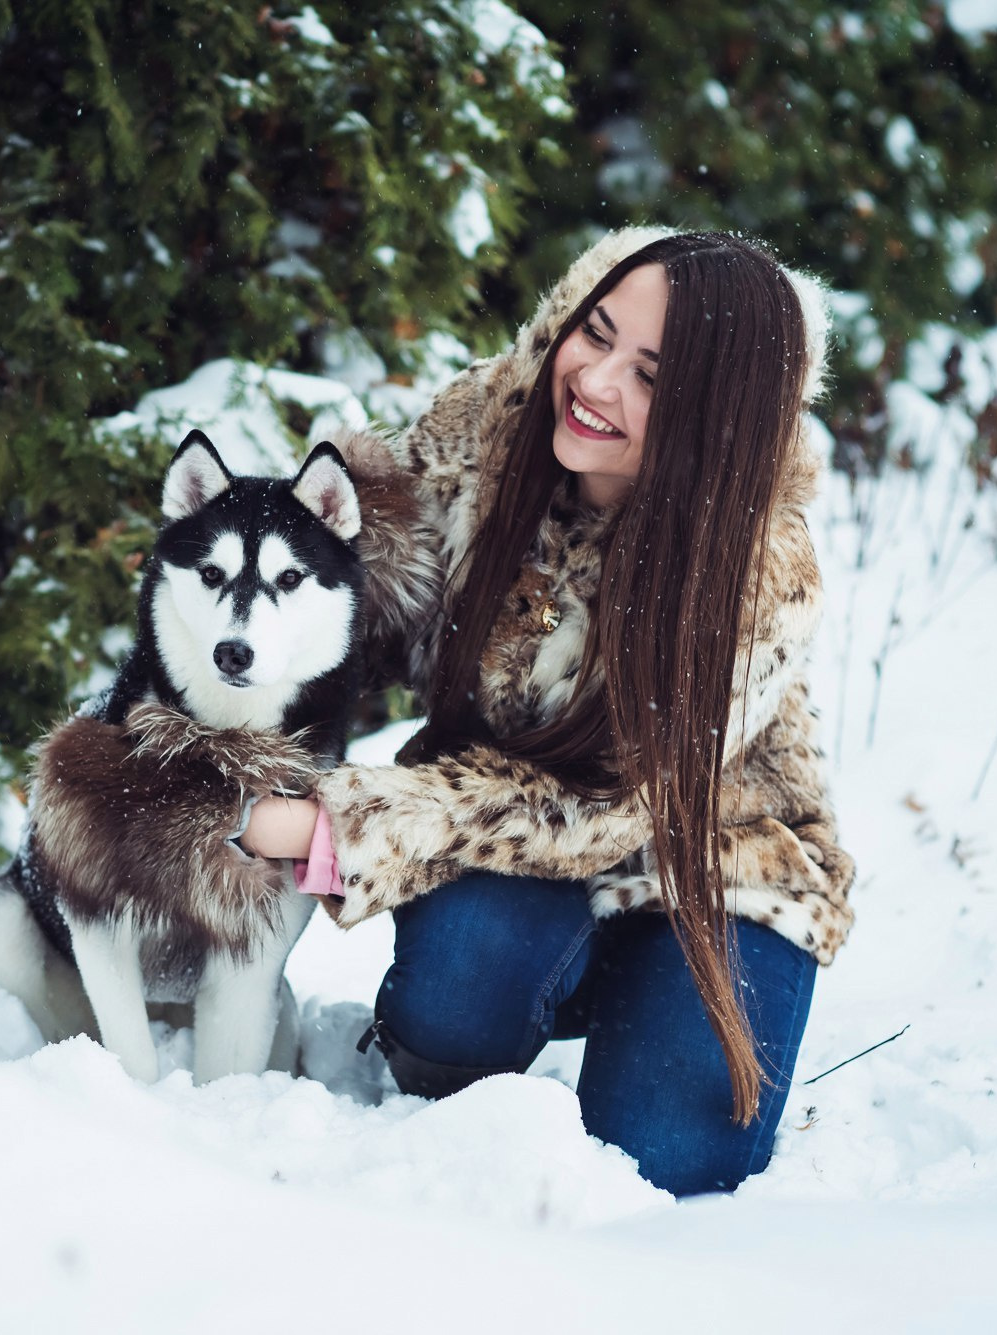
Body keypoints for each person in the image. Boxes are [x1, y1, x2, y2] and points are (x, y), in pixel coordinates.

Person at [230, 227, 858, 1196]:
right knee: (462, 975)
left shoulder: (757, 571)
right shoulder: (490, 424)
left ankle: (643, 1009)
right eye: (594, 332)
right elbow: (356, 619)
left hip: (710, 867)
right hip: (515, 868)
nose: (596, 381)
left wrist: (342, 826)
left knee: (668, 1169)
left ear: (713, 418)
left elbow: (609, 806)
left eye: (649, 374)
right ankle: (468, 1053)